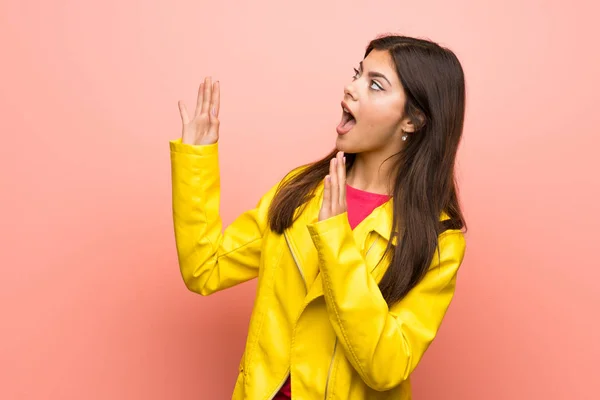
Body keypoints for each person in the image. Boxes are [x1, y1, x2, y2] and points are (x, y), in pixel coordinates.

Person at [169, 34, 467, 400]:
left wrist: (335, 238)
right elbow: (205, 266)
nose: (351, 87)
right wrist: (197, 158)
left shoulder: (439, 238)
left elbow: (386, 366)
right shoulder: (299, 193)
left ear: (413, 120)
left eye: (375, 85)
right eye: (358, 74)